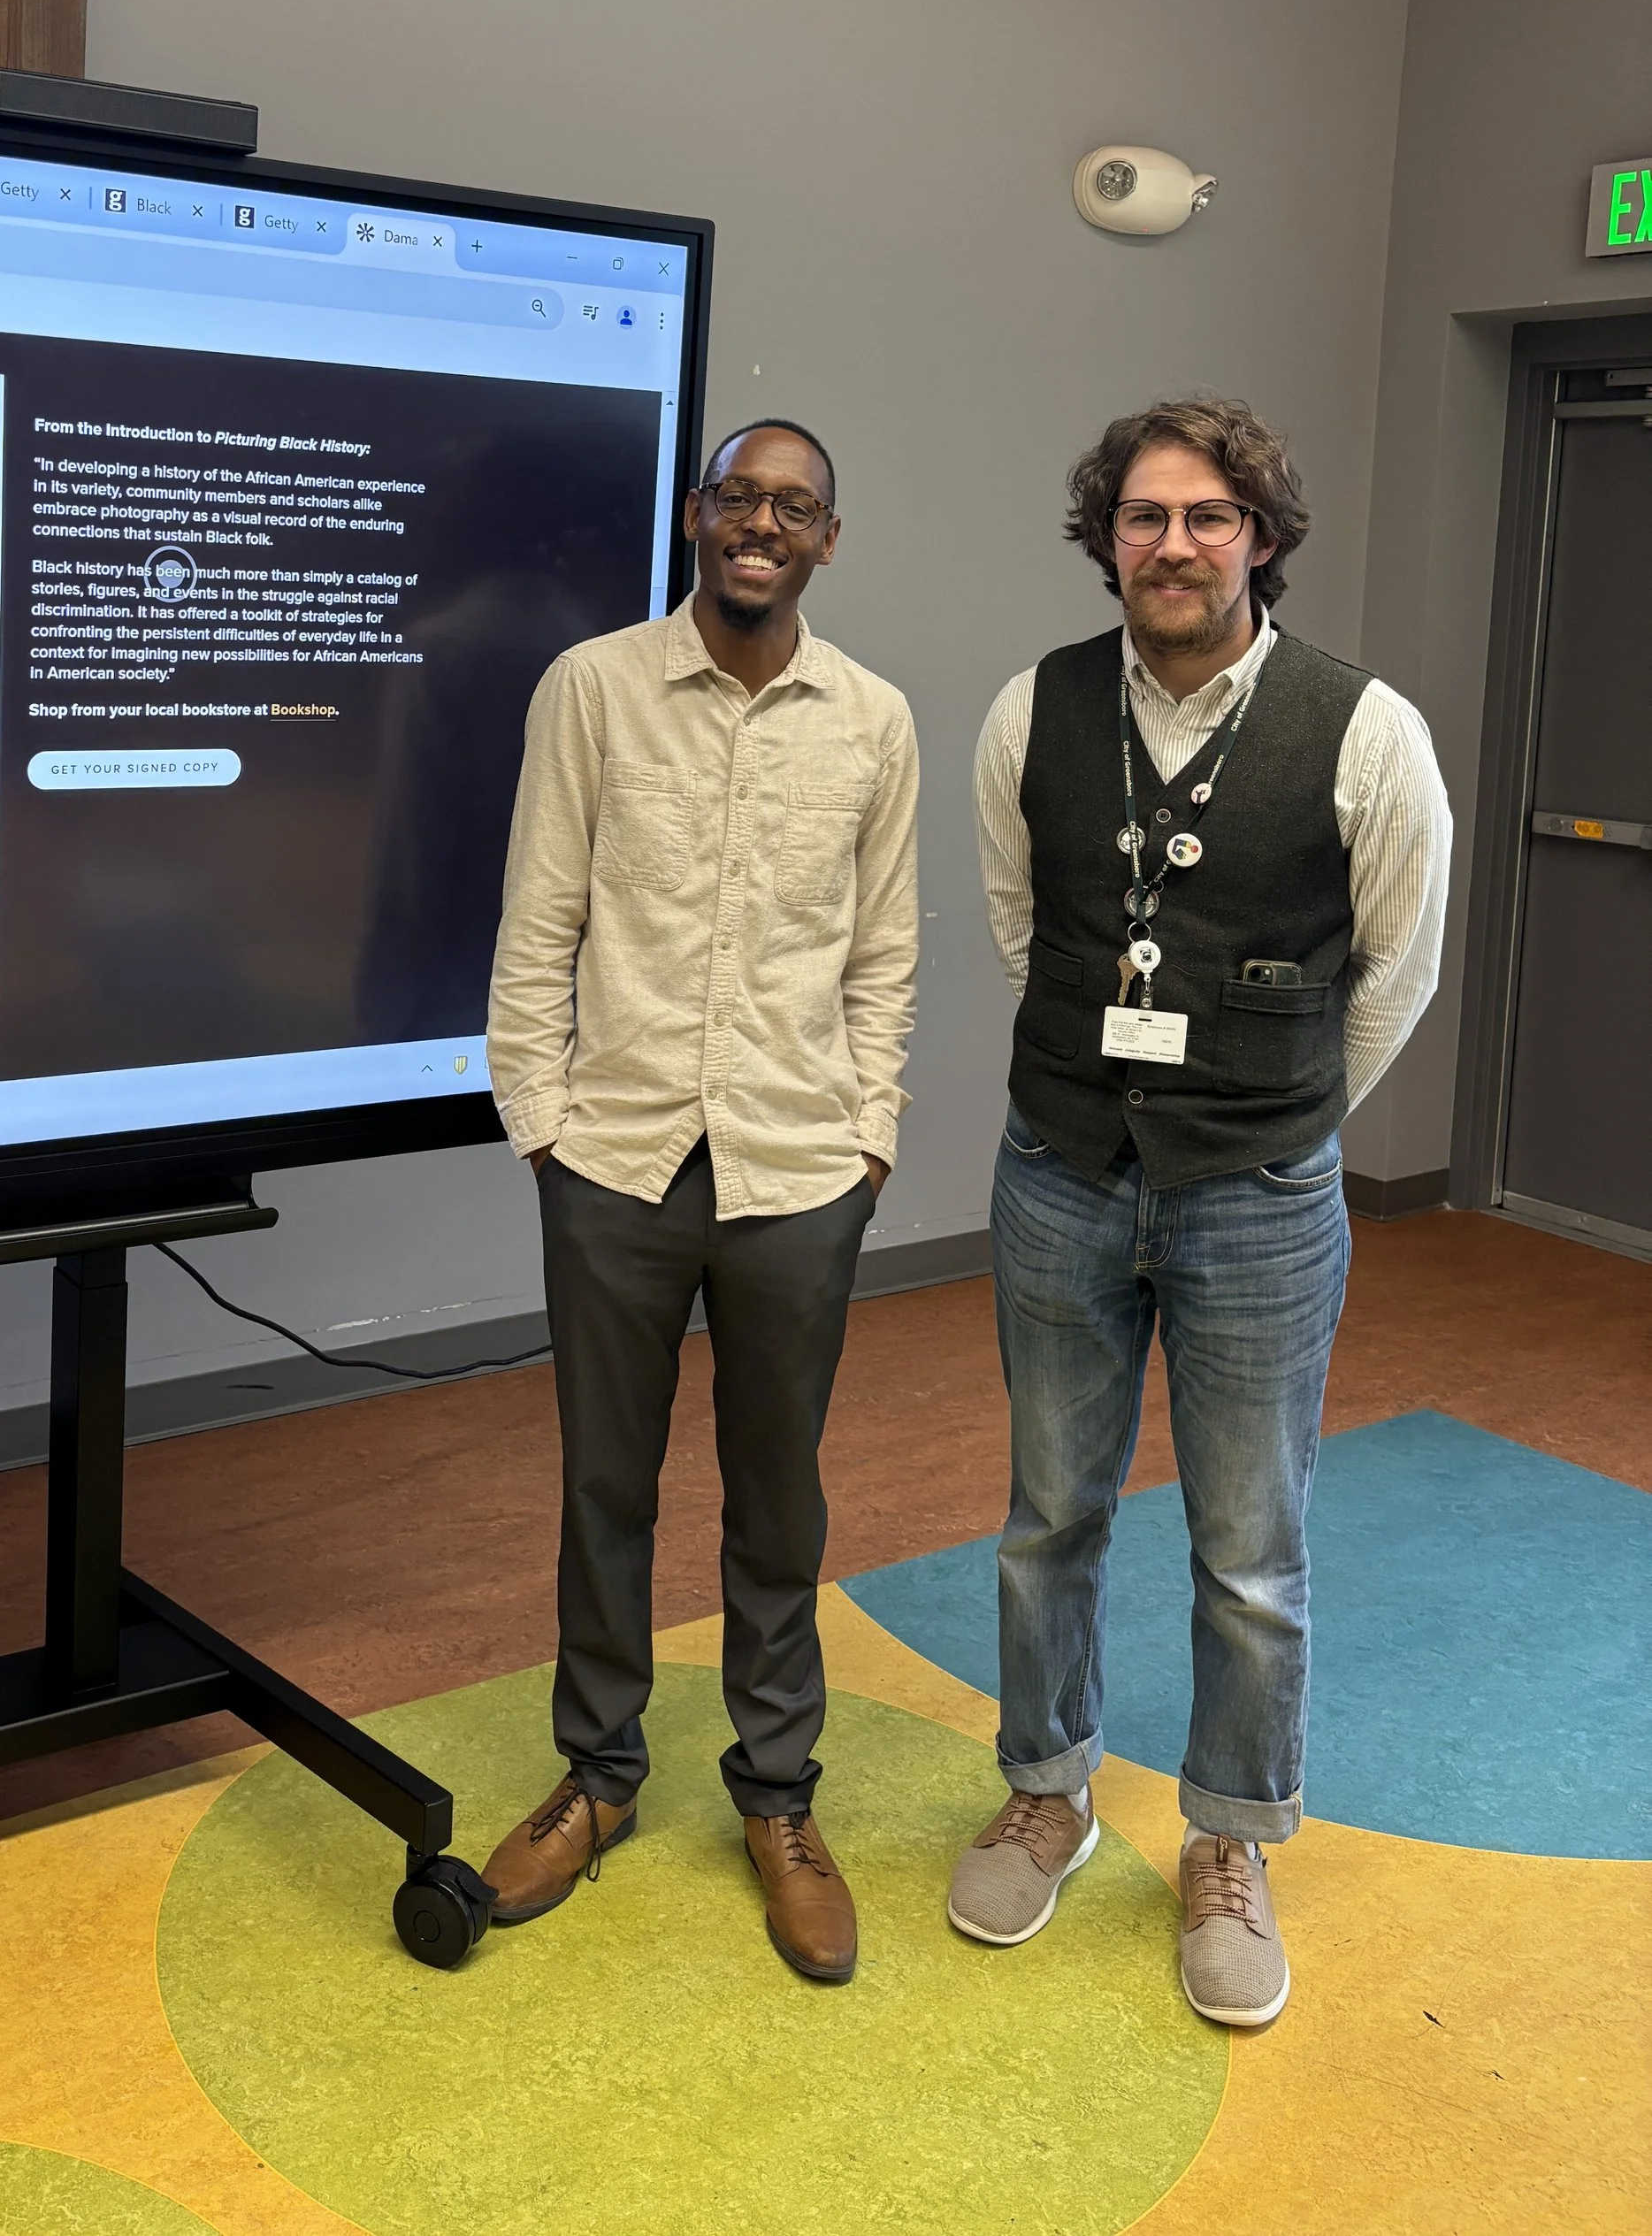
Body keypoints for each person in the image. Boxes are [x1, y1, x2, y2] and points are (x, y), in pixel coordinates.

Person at [955, 394, 1449, 2027]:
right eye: (1146, 517)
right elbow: (1024, 937)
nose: (1175, 544)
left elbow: (1396, 972)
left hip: (1261, 1199)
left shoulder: (1364, 727)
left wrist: (1281, 1120)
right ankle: (1050, 1788)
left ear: (1264, 539)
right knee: (1049, 1519)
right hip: (1060, 1176)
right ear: (1107, 537)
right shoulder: (1032, 710)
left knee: (1252, 1548)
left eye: (1210, 517)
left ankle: (1231, 1838)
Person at [484, 418, 919, 1983]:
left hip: (800, 1172)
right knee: (605, 1484)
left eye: (794, 505)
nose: (762, 523)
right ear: (695, 515)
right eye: (740, 496)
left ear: (826, 538)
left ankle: (779, 1796)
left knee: (776, 1497)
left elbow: (882, 953)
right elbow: (539, 920)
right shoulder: (593, 687)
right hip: (615, 1159)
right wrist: (542, 1117)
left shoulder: (873, 720)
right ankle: (598, 1775)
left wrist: (869, 1135)